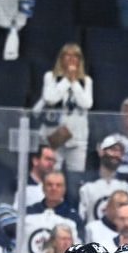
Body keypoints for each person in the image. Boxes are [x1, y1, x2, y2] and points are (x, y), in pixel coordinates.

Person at [36, 43, 93, 174]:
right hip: (55, 135)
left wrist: (74, 82)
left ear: (80, 60)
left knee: (76, 175)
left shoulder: (86, 80)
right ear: (61, 59)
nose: (71, 59)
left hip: (77, 137)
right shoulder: (50, 76)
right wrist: (66, 80)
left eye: (75, 56)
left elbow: (87, 104)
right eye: (67, 55)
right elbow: (50, 98)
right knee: (52, 174)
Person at [23, 170, 79, 253]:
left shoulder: (73, 217)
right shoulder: (28, 212)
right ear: (43, 188)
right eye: (49, 185)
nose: (54, 188)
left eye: (58, 185)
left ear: (64, 189)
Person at [79, 137, 128, 227]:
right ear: (101, 152)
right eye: (113, 150)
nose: (116, 154)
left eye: (120, 152)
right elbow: (80, 217)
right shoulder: (86, 184)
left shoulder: (127, 185)